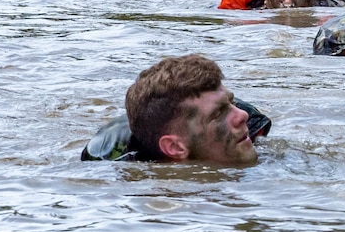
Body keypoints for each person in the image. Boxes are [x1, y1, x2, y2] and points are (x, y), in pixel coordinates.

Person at [80, 54, 271, 164]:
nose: (242, 115)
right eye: (218, 113)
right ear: (175, 147)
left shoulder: (255, 133)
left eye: (232, 103)